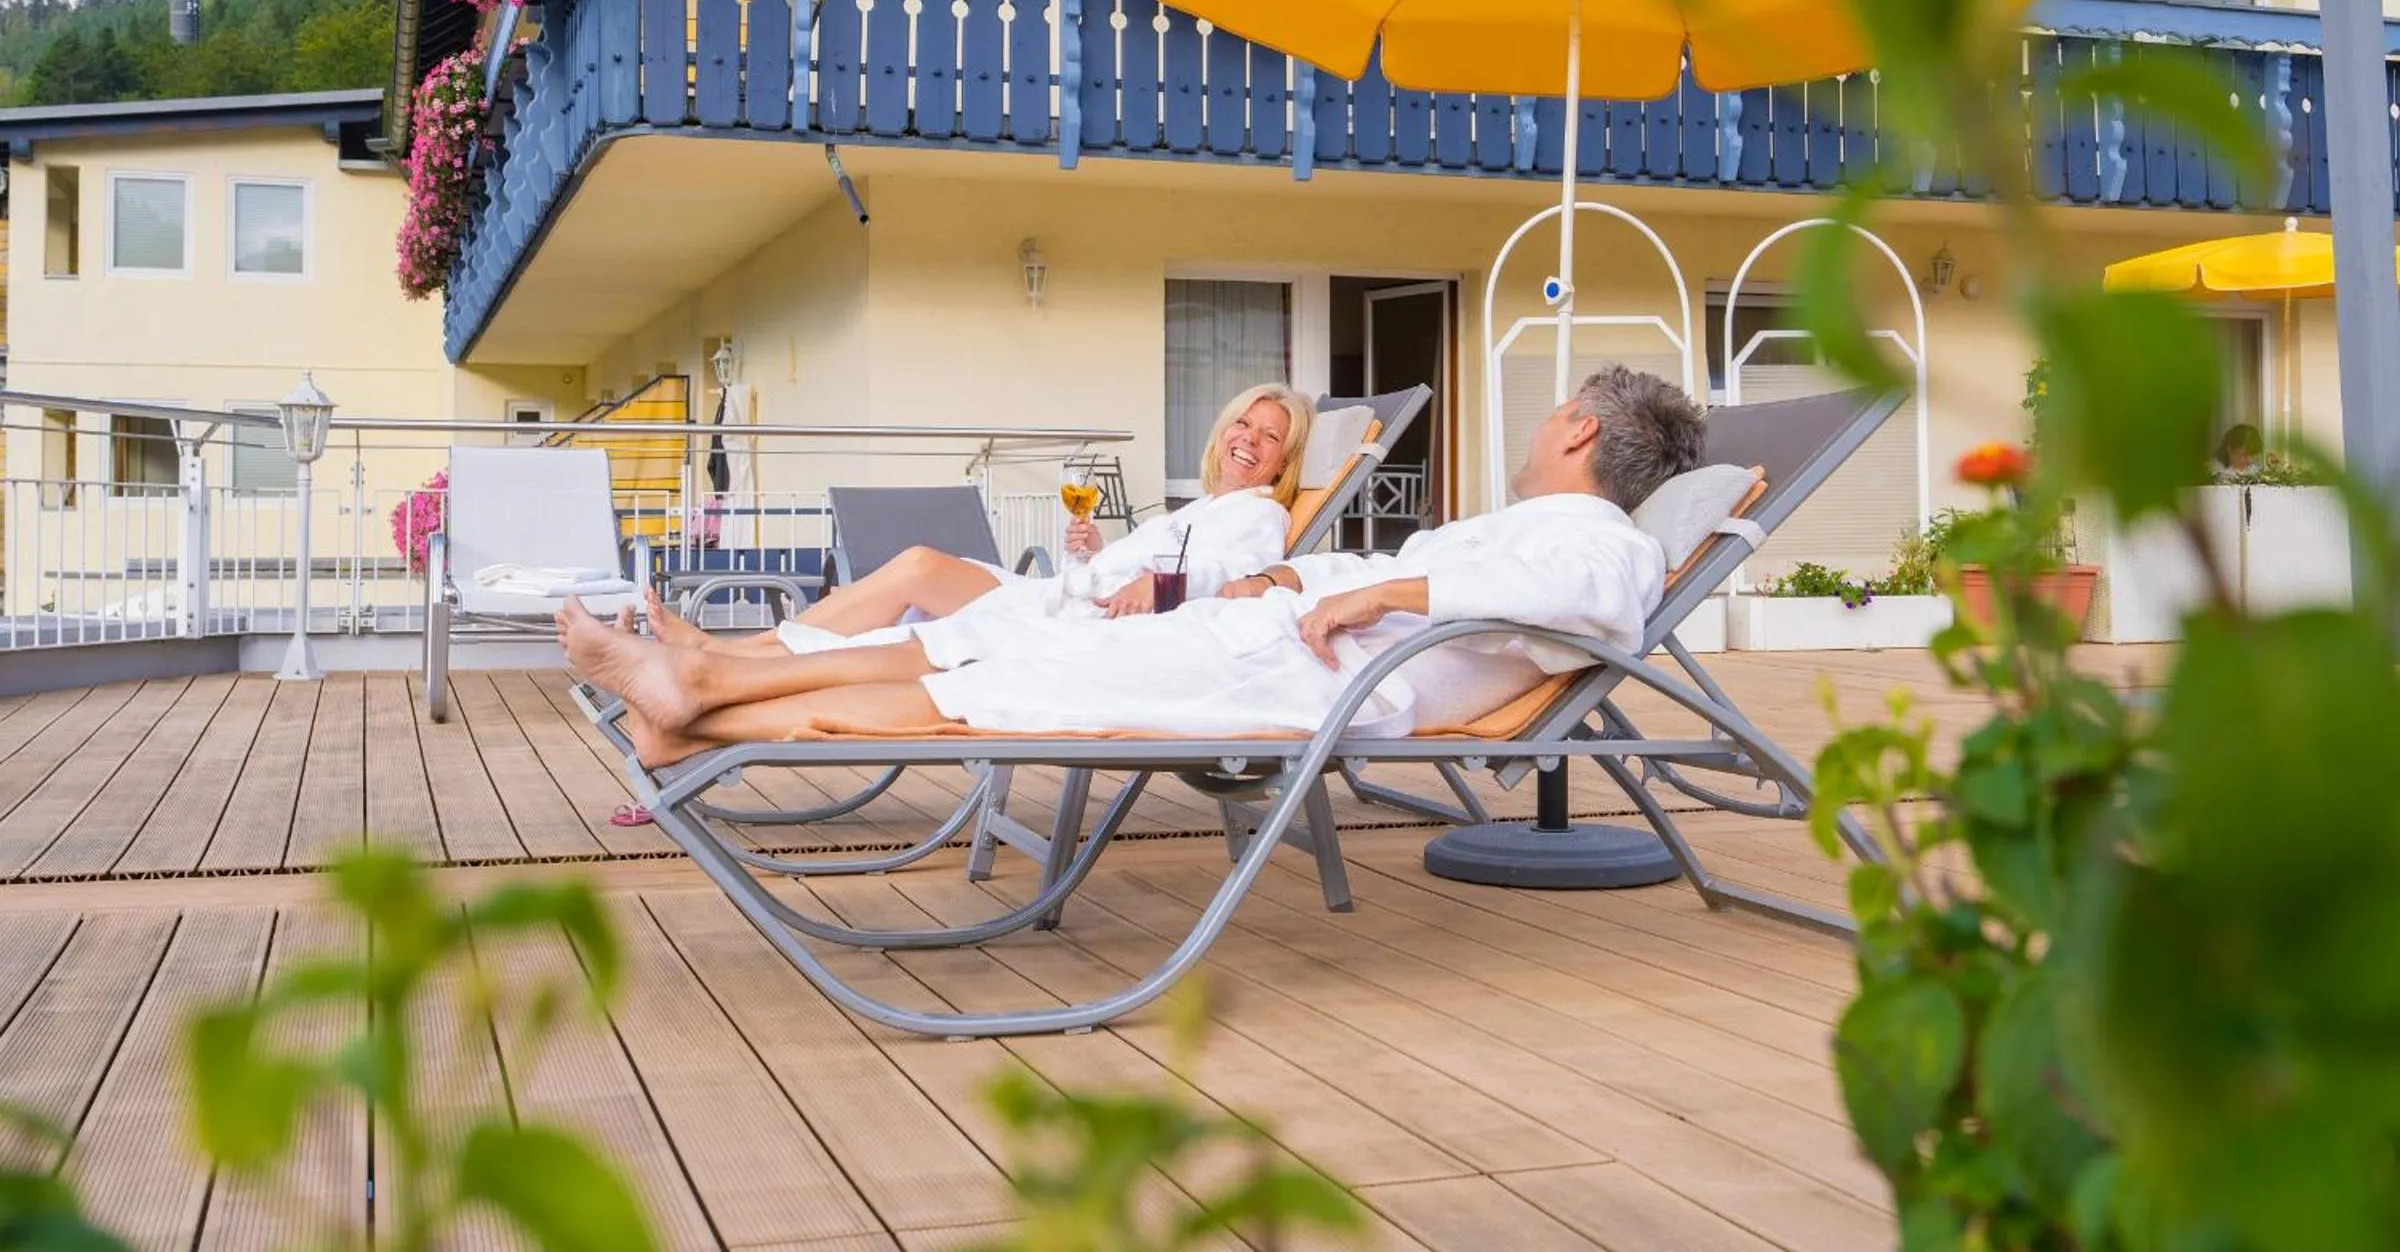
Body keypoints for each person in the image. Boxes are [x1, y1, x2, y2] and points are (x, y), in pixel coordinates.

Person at [562, 366, 1704, 769]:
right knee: (979, 663)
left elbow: (1580, 599)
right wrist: (1302, 583)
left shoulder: (1605, 543)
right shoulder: (1523, 530)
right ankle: (699, 698)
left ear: (1577, 432)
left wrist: (1375, 589)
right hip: (1258, 642)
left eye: (1551, 413)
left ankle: (700, 700)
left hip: (1292, 681)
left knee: (990, 687)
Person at [652, 383, 1313, 659]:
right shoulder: (1203, 508)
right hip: (1062, 598)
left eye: (1271, 436)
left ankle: (732, 654)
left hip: (1070, 623)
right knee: (903, 591)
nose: (1249, 440)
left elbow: (1234, 576)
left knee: (917, 568)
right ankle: (737, 654)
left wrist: (1161, 583)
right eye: (1244, 423)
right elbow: (1137, 573)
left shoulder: (1259, 516)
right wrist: (1094, 552)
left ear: (1284, 461)